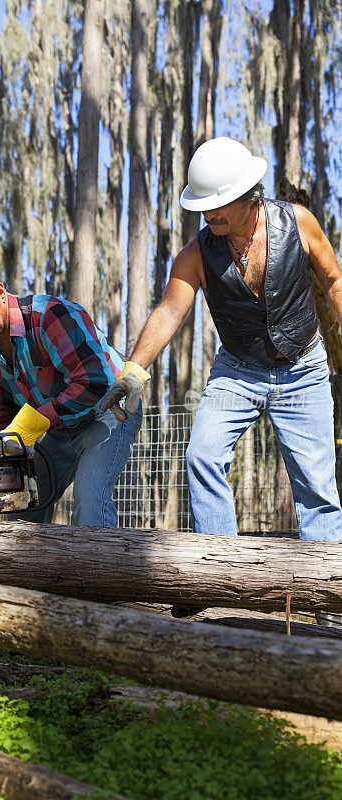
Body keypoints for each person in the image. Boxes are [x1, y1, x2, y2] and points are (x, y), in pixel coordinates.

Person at [100, 136, 342, 616]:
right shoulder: (195, 254)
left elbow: (333, 279)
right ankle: (220, 580)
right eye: (202, 207)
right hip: (237, 373)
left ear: (249, 193)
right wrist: (133, 370)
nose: (207, 216)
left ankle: (331, 601)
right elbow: (170, 311)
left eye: (216, 206)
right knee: (202, 455)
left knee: (316, 485)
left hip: (304, 369)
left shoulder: (298, 223)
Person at [0, 260, 142, 527]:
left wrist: (34, 423)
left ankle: (102, 567)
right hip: (56, 429)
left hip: (107, 411)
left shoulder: (49, 316)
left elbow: (95, 382)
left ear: (0, 292)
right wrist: (7, 453)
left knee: (90, 499)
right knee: (18, 508)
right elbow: (1, 411)